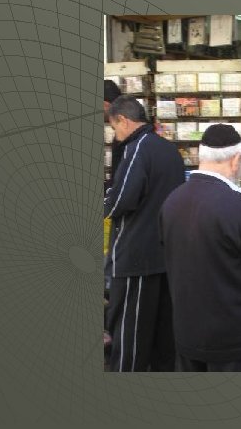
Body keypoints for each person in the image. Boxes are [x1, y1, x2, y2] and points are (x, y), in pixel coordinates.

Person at [159, 124, 241, 372]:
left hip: (188, 334)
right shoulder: (237, 206)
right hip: (236, 340)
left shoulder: (172, 201)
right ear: (236, 159)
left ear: (200, 157)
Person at [104, 96, 185, 372]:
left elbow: (121, 200)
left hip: (137, 255)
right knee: (163, 331)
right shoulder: (170, 150)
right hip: (165, 254)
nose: (115, 136)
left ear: (123, 121)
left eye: (114, 128)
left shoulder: (137, 149)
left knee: (130, 331)